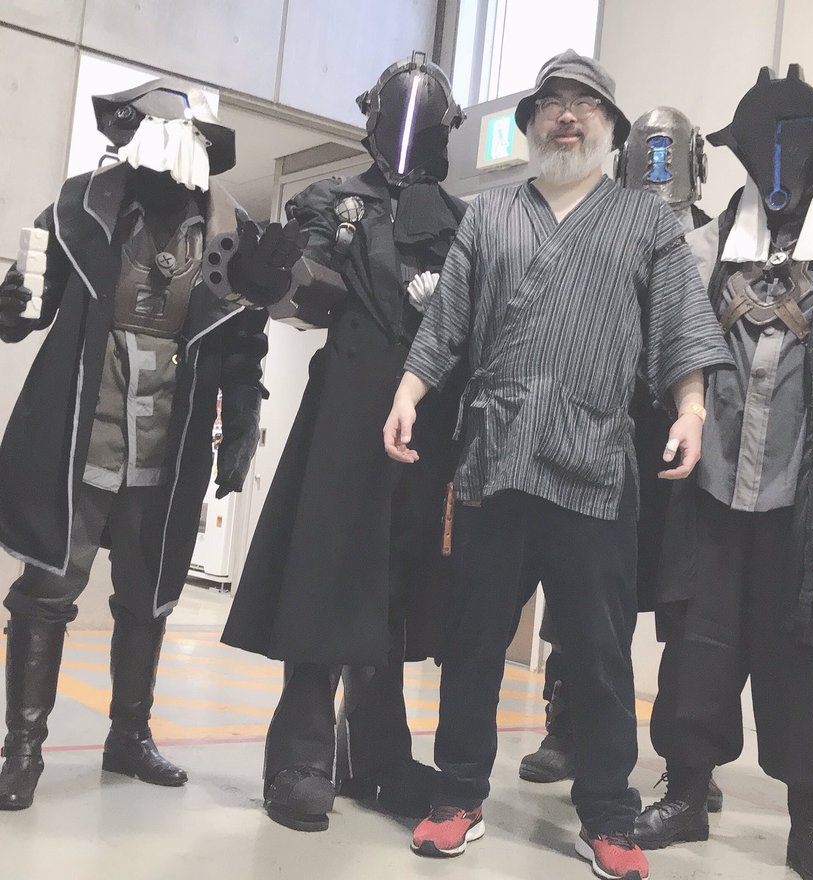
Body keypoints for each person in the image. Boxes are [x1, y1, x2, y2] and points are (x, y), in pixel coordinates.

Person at [383, 49, 729, 880]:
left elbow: (680, 324)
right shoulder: (491, 214)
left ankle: (607, 813)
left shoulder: (645, 221)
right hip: (495, 457)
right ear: (531, 122)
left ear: (610, 126)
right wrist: (408, 392)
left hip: (595, 464)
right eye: (552, 104)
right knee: (473, 642)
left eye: (585, 104)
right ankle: (457, 796)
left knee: (600, 653)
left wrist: (691, 409)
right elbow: (447, 323)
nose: (567, 116)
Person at [631, 66, 813, 880]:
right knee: (697, 651)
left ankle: (807, 823)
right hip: (711, 493)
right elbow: (666, 357)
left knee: (806, 665)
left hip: (812, 500)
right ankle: (686, 792)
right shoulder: (699, 250)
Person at [0, 79, 298, 810]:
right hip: (80, 431)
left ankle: (128, 737)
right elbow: (28, 306)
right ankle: (23, 751)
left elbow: (244, 349)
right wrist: (8, 306)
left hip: (169, 442)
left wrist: (242, 422)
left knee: (148, 596)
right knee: (48, 589)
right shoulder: (80, 208)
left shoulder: (233, 239)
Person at [220, 54, 467, 833]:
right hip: (348, 410)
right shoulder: (334, 199)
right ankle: (300, 756)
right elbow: (309, 284)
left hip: (430, 417)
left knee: (396, 580)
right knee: (328, 570)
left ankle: (378, 756)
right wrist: (277, 275)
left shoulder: (463, 222)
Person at [519, 104, 723, 817]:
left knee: (684, 608)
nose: (659, 166)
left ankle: (686, 759)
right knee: (581, 590)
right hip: (604, 430)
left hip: (683, 439)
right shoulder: (593, 223)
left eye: (671, 153)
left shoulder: (718, 240)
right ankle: (567, 726)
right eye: (649, 152)